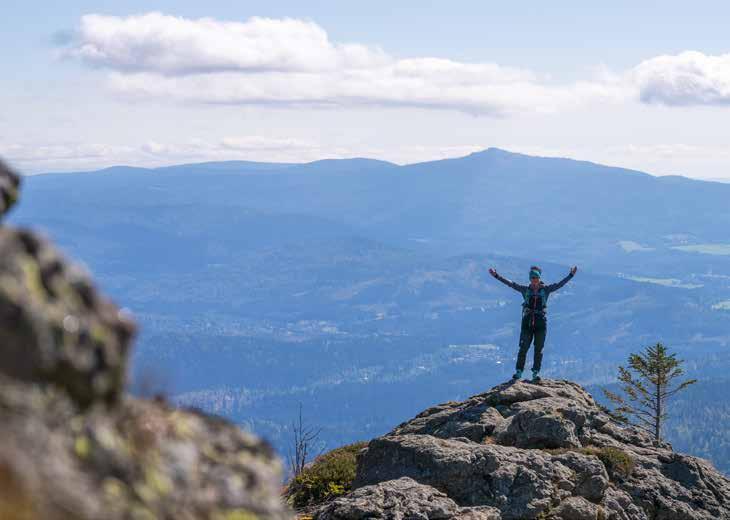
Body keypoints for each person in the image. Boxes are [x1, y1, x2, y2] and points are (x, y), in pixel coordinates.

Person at [488, 265, 578, 382]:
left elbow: (560, 284)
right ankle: (519, 371)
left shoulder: (546, 290)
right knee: (523, 348)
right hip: (527, 322)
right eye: (532, 278)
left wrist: (571, 275)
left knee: (538, 349)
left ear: (539, 278)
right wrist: (496, 276)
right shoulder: (525, 290)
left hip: (541, 323)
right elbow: (511, 284)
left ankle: (535, 373)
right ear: (530, 279)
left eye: (536, 277)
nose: (534, 280)